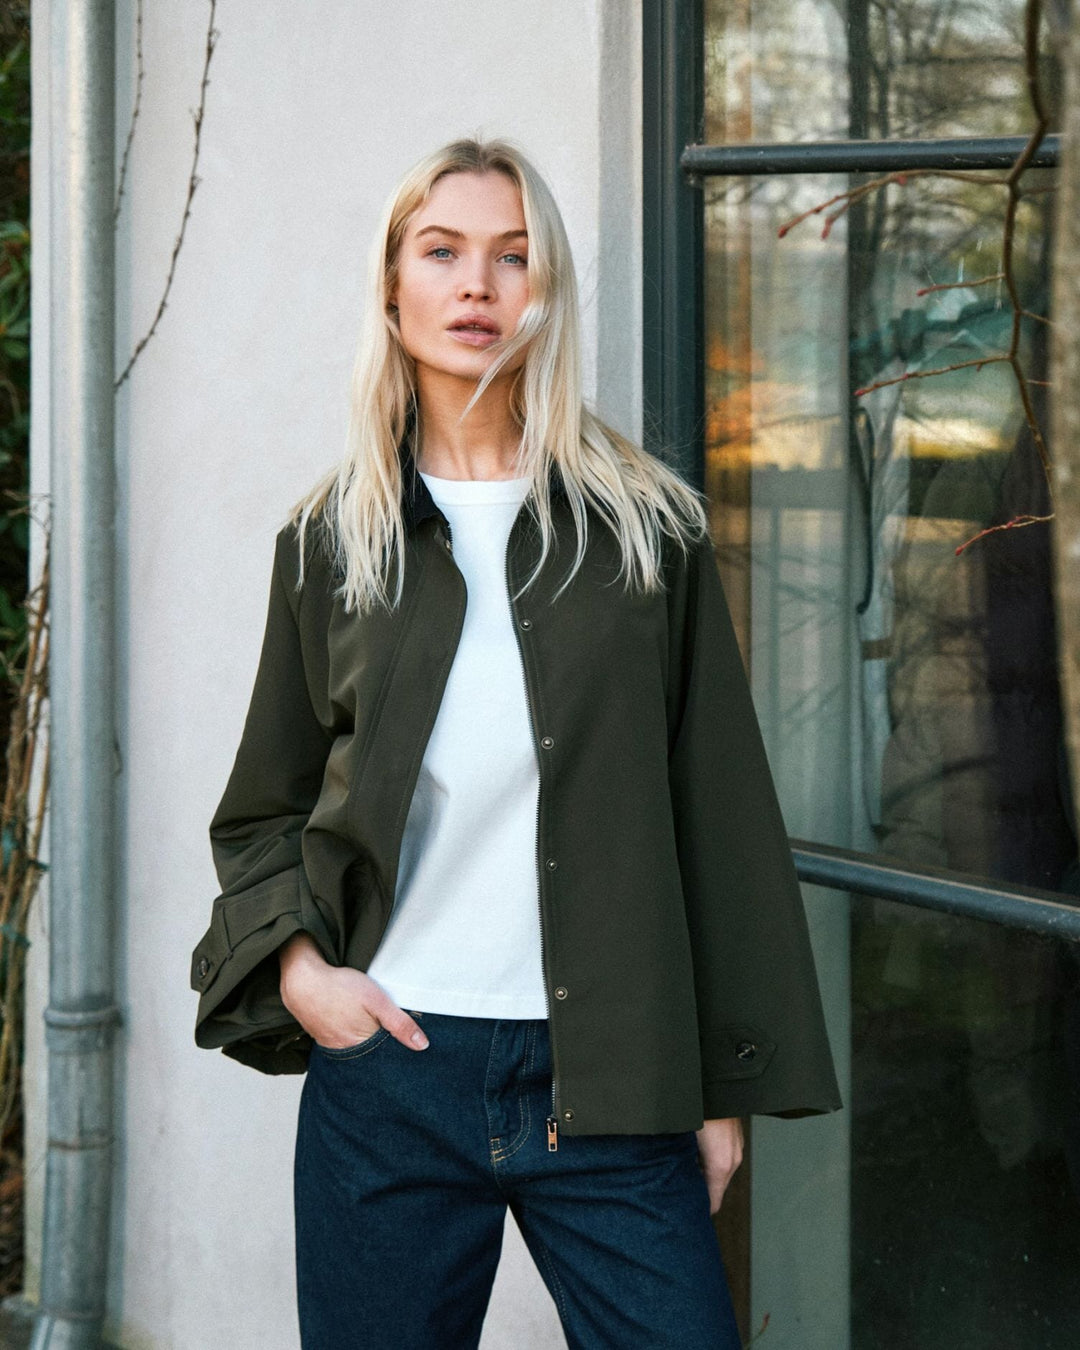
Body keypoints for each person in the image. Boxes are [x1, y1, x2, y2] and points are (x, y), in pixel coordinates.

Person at [190, 135, 842, 1350]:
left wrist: (718, 1086)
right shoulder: (332, 542)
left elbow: (718, 818)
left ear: (548, 290)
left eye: (512, 255)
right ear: (394, 287)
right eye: (442, 252)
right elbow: (266, 808)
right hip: (390, 1071)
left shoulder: (648, 532)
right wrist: (302, 977)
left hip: (615, 1072)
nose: (477, 286)